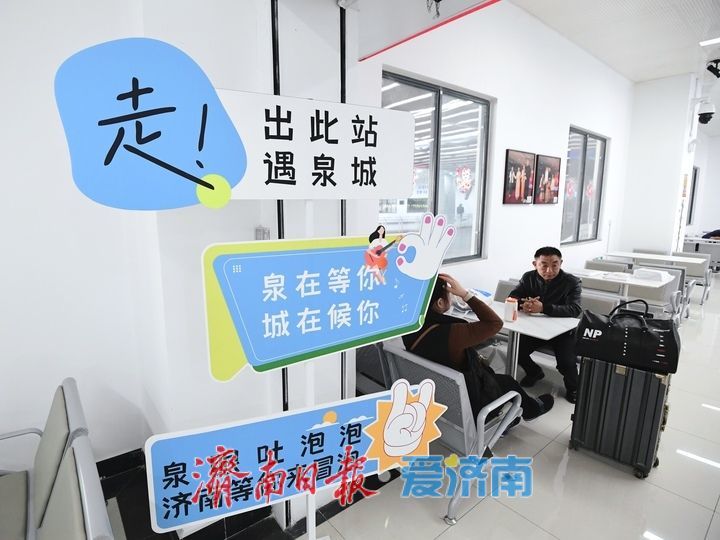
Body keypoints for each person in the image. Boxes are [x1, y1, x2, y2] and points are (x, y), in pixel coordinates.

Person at [402, 273, 554, 422]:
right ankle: (532, 410)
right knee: (508, 382)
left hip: (438, 399)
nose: (452, 297)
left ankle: (505, 421)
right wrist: (465, 295)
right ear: (440, 303)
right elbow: (495, 323)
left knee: (494, 378)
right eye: (449, 295)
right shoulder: (452, 333)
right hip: (470, 407)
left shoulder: (408, 329)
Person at [508, 247, 582, 403]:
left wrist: (543, 308)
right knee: (516, 350)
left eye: (554, 265)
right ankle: (534, 372)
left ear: (561, 263)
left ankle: (574, 388)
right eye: (544, 265)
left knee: (566, 362)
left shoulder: (572, 282)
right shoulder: (528, 277)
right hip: (536, 328)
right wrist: (523, 304)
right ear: (535, 264)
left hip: (563, 331)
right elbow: (513, 296)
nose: (549, 270)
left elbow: (575, 309)